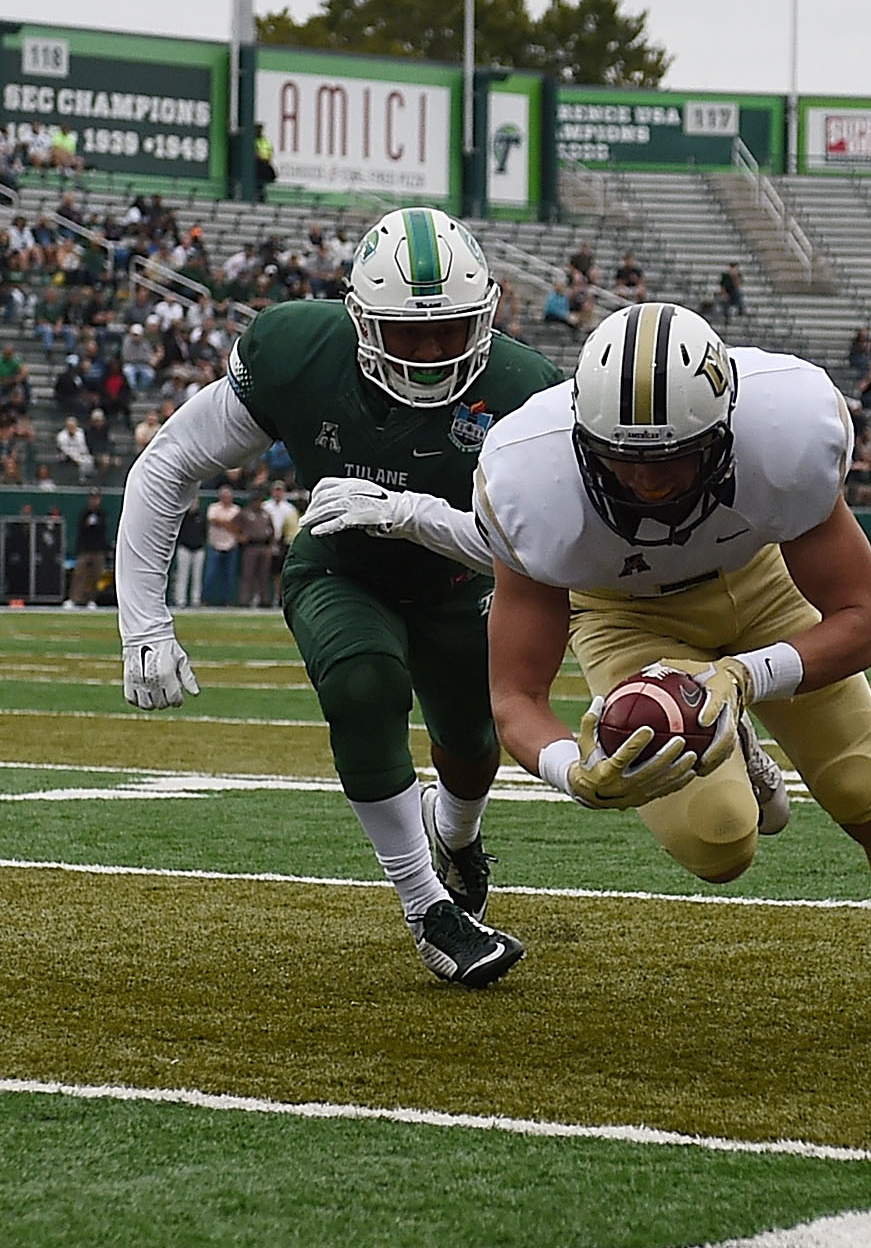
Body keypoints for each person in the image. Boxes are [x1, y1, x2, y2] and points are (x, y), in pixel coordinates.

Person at [323, 300, 871, 1034]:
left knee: (865, 794)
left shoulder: (786, 424)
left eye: (673, 457)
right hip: (625, 614)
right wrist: (572, 770)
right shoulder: (529, 477)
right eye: (624, 459)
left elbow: (862, 626)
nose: (651, 483)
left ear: (726, 428)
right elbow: (514, 695)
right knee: (720, 842)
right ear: (581, 439)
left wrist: (743, 677)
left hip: (765, 586)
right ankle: (734, 746)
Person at [115, 206, 562, 990]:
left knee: (472, 745)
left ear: (485, 314)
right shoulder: (301, 352)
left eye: (449, 330)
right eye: (407, 332)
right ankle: (429, 909)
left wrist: (411, 514)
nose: (428, 351)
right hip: (340, 568)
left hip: (462, 583)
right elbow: (168, 462)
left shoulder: (526, 392)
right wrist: (143, 623)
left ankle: (456, 839)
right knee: (365, 686)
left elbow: (546, 548)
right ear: (360, 320)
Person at [68, 491, 111, 609]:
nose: (94, 501)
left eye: (96, 498)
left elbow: (103, 530)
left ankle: (92, 599)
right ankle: (75, 599)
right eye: (92, 498)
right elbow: (82, 530)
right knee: (79, 574)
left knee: (96, 576)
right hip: (85, 550)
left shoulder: (103, 514)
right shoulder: (84, 514)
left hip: (98, 550)